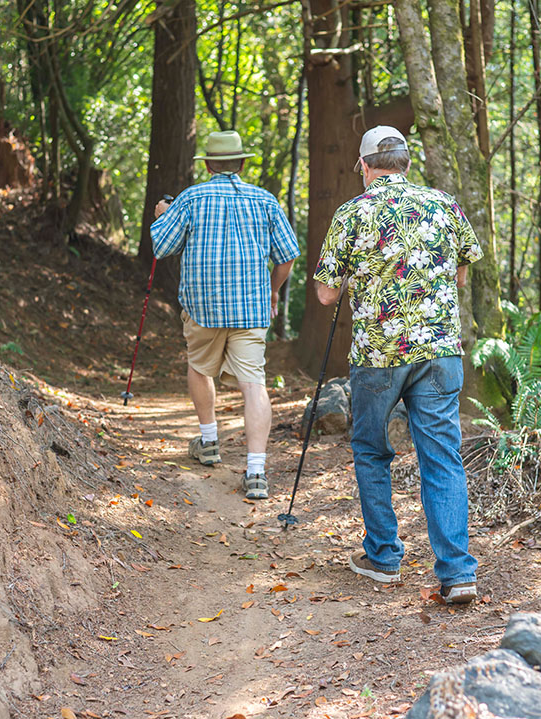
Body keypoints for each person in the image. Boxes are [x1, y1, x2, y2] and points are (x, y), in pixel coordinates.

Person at [312, 125, 483, 604]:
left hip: (379, 357)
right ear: (406, 163)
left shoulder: (352, 213)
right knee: (442, 457)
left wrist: (354, 278)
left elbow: (326, 294)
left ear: (365, 166)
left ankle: (384, 558)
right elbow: (462, 274)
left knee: (371, 449)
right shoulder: (444, 205)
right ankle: (457, 572)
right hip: (439, 352)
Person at [151, 130, 300, 500]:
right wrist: (273, 290)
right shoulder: (265, 201)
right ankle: (256, 471)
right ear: (242, 163)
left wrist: (163, 216)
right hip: (251, 307)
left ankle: (210, 442)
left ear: (209, 165)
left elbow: (162, 246)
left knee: (200, 367)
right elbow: (288, 256)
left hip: (203, 307)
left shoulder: (192, 198)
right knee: (254, 385)